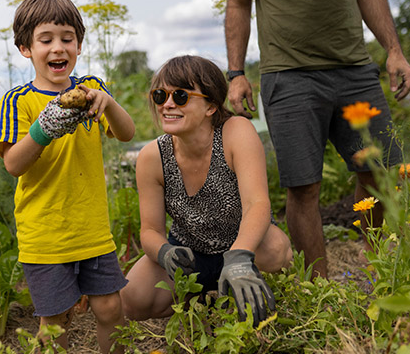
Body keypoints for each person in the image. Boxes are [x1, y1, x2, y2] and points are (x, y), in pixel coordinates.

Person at [224, 0, 410, 279]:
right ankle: (320, 285)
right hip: (289, 74)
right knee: (303, 186)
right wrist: (236, 73)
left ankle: (376, 264)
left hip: (354, 68)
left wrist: (394, 49)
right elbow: (238, 2)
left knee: (379, 170)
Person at [0, 0, 135, 353]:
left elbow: (127, 133)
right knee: (55, 322)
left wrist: (109, 102)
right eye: (46, 40)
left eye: (67, 38)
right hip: (46, 235)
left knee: (110, 307)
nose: (58, 48)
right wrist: (44, 129)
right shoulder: (17, 102)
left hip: (92, 229)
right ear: (26, 48)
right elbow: (13, 164)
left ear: (79, 44)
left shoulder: (92, 91)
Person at [120, 55, 292, 326]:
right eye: (160, 95)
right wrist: (165, 253)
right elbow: (150, 231)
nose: (167, 104)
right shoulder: (152, 156)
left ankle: (256, 293)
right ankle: (200, 302)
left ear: (211, 105)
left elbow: (257, 204)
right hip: (190, 255)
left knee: (276, 249)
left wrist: (238, 256)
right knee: (132, 297)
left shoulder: (236, 132)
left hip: (246, 247)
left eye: (180, 96)